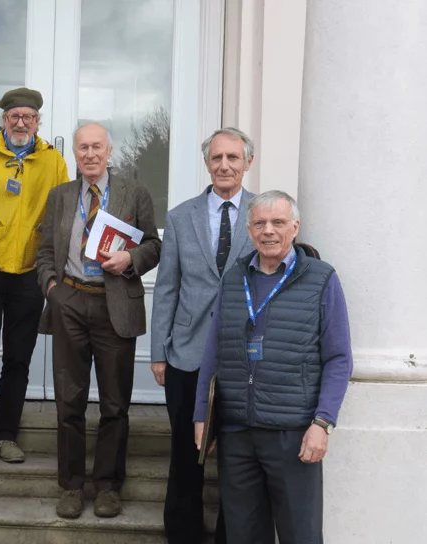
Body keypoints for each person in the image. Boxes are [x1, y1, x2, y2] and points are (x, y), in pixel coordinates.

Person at [194, 190, 353, 544]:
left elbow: (339, 358)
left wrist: (322, 423)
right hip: (237, 432)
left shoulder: (322, 279)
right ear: (249, 231)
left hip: (293, 435)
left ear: (294, 228)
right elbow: (213, 350)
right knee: (243, 535)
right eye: (260, 223)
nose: (269, 230)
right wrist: (201, 417)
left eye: (278, 222)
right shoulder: (234, 279)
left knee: (301, 535)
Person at [36, 122, 161, 519]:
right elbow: (43, 251)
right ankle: (71, 486)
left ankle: (108, 485)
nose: (90, 154)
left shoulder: (134, 191)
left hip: (115, 305)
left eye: (97, 147)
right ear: (75, 153)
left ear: (110, 151)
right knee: (68, 400)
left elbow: (155, 245)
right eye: (83, 148)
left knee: (114, 403)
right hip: (70, 300)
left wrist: (131, 259)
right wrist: (53, 289)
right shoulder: (60, 196)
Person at [150, 126, 256, 543]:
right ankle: (182, 531)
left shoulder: (263, 215)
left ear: (248, 162)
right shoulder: (180, 216)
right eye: (217, 158)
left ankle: (233, 533)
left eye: (233, 157)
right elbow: (167, 288)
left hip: (243, 356)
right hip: (186, 354)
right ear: (207, 163)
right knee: (185, 451)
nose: (225, 165)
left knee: (237, 455)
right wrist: (159, 351)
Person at [0, 87, 69, 464]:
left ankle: (6, 434)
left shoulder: (53, 161)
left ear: (38, 121)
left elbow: (61, 216)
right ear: (3, 119)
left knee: (18, 358)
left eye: (28, 117)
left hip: (28, 271)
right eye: (13, 116)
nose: (21, 123)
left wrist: (53, 269)